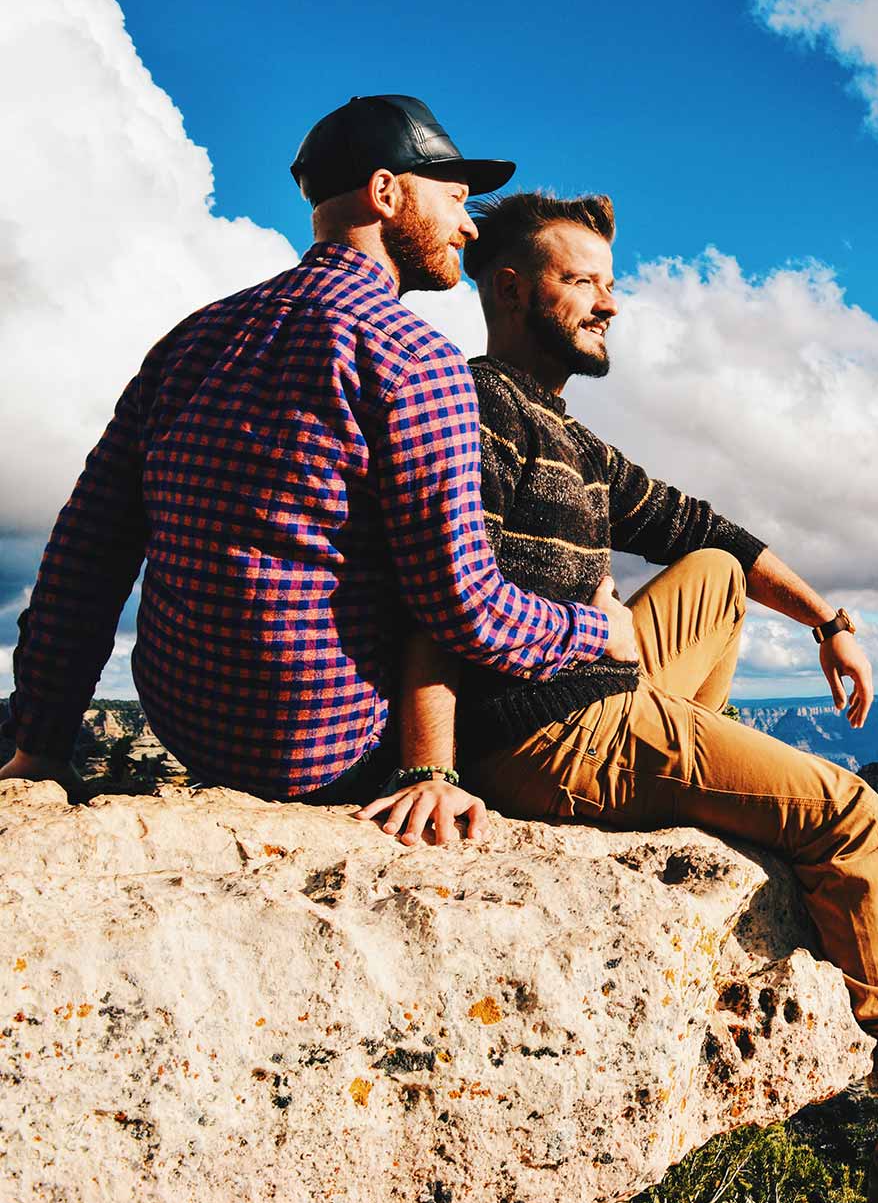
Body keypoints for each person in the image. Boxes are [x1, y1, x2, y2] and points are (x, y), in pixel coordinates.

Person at [357, 191, 878, 1203]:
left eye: (612, 287)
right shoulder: (476, 411)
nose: (611, 307)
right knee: (850, 814)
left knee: (702, 566)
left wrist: (827, 619)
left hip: (597, 690)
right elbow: (429, 597)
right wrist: (428, 766)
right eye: (586, 285)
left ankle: (702, 773)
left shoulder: (562, 430)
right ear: (513, 289)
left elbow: (706, 527)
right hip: (551, 727)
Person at [0, 96, 638, 804]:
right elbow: (466, 608)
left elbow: (86, 555)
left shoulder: (191, 340)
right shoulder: (415, 361)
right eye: (455, 200)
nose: (466, 226)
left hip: (192, 729)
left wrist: (40, 748)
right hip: (333, 752)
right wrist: (592, 628)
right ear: (386, 193)